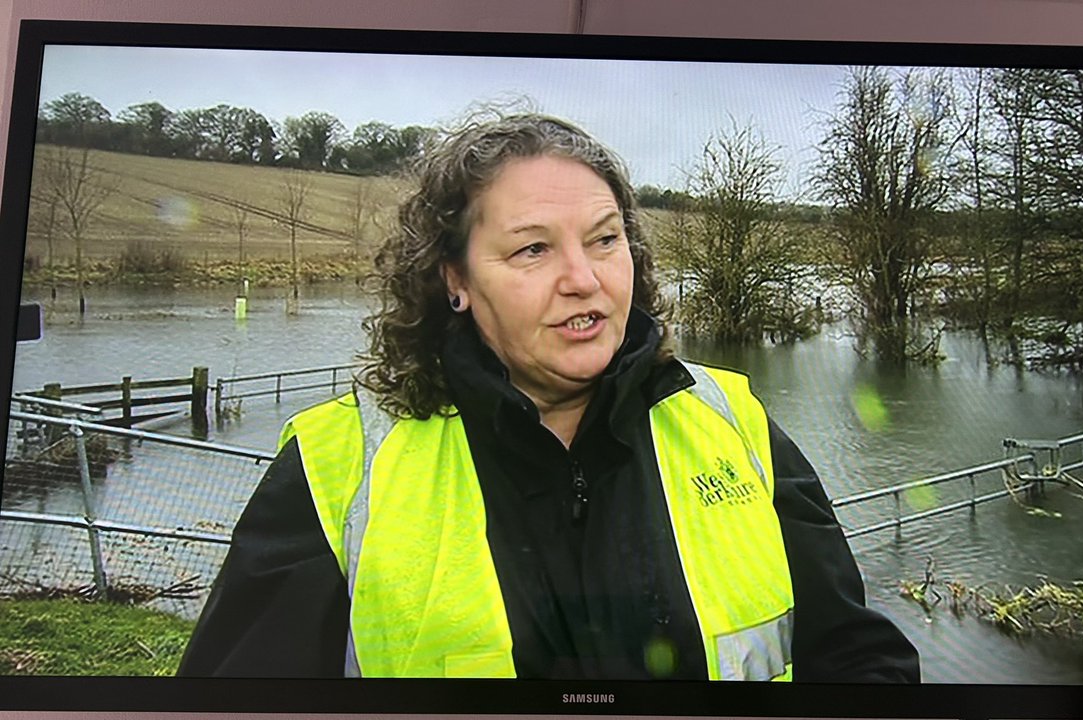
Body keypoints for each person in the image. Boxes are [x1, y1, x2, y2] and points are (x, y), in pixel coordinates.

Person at [178, 113, 919, 682]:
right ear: (456, 281)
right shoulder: (338, 468)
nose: (584, 278)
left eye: (604, 240)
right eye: (533, 249)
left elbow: (858, 659)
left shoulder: (734, 426)